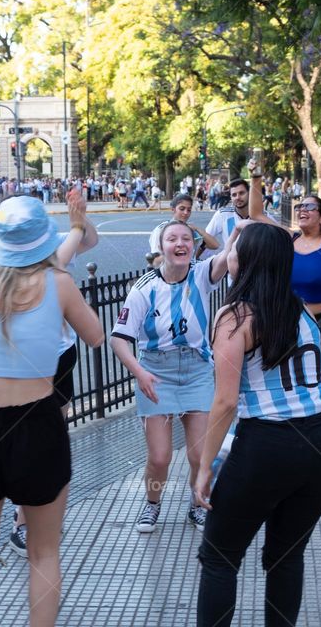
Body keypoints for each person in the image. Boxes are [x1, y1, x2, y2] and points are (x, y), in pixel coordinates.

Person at [0, 195, 103, 627]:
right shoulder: (59, 283)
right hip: (37, 422)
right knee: (43, 551)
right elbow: (96, 335)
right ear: (40, 242)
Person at [194, 222, 321, 627]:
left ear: (251, 259)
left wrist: (205, 465)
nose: (231, 254)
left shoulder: (235, 317)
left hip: (269, 442)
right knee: (286, 556)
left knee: (219, 557)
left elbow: (224, 401)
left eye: (237, 248)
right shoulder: (300, 310)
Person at [110, 220, 231, 533]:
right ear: (160, 248)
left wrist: (242, 231)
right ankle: (152, 505)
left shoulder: (202, 274)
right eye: (172, 239)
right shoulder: (143, 290)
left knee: (200, 453)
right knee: (160, 457)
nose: (181, 243)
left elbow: (226, 258)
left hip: (196, 369)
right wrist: (139, 373)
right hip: (156, 372)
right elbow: (118, 338)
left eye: (186, 238)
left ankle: (197, 504)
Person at [250, 147, 321, 459]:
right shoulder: (286, 239)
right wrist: (256, 176)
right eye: (300, 206)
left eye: (310, 207)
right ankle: (303, 440)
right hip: (291, 324)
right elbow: (257, 214)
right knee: (293, 386)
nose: (302, 210)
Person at [7, 187, 99, 558]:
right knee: (31, 443)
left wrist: (80, 219)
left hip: (62, 355)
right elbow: (55, 270)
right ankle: (21, 522)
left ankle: (39, 513)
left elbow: (88, 240)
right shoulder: (6, 261)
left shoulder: (54, 246)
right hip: (29, 363)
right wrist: (74, 228)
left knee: (52, 440)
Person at [147, 194, 220, 267]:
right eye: (182, 209)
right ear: (173, 209)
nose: (186, 213)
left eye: (189, 210)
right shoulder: (161, 230)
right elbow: (156, 260)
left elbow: (215, 245)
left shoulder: (190, 229)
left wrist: (198, 230)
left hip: (190, 272)